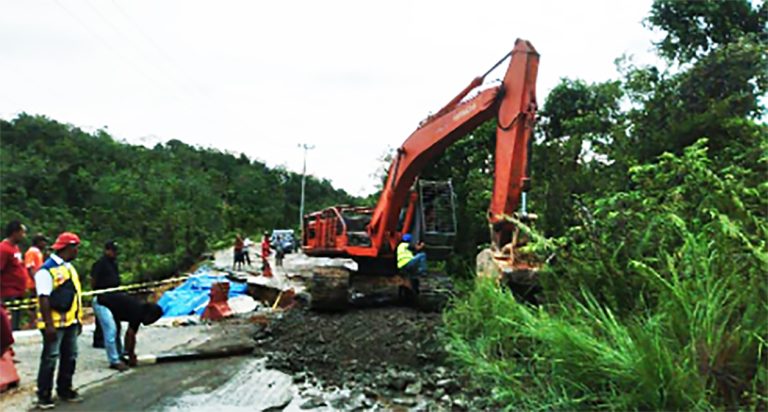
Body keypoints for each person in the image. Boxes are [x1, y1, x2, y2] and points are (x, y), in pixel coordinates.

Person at [34, 232, 84, 408]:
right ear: (68, 248)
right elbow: (43, 298)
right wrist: (49, 326)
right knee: (50, 358)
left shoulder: (68, 268)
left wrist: (78, 320)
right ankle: (44, 394)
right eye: (75, 247)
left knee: (70, 356)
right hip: (54, 324)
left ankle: (65, 388)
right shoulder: (46, 271)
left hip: (70, 322)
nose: (77, 251)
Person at [96, 293, 163, 368]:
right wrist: (131, 354)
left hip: (113, 307)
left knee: (117, 331)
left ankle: (120, 356)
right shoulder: (137, 312)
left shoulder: (140, 311)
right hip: (102, 303)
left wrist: (129, 353)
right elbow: (129, 335)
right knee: (111, 331)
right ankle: (114, 361)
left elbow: (132, 335)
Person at [90, 241, 120, 351]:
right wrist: (95, 291)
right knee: (101, 319)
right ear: (107, 250)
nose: (114, 253)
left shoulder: (113, 263)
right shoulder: (100, 263)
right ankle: (98, 339)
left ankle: (110, 339)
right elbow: (94, 278)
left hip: (113, 294)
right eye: (112, 251)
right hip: (102, 293)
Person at [0, 221, 29, 331]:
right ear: (15, 233)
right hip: (8, 293)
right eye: (22, 232)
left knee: (16, 323)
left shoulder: (15, 248)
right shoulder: (3, 249)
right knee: (9, 325)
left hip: (17, 292)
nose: (23, 236)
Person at [24, 234, 48, 328]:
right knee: (32, 303)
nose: (44, 244)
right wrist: (37, 281)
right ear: (38, 242)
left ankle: (36, 321)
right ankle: (32, 322)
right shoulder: (32, 252)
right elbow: (30, 267)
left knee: (37, 302)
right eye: (43, 241)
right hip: (33, 283)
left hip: (37, 282)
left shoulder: (38, 252)